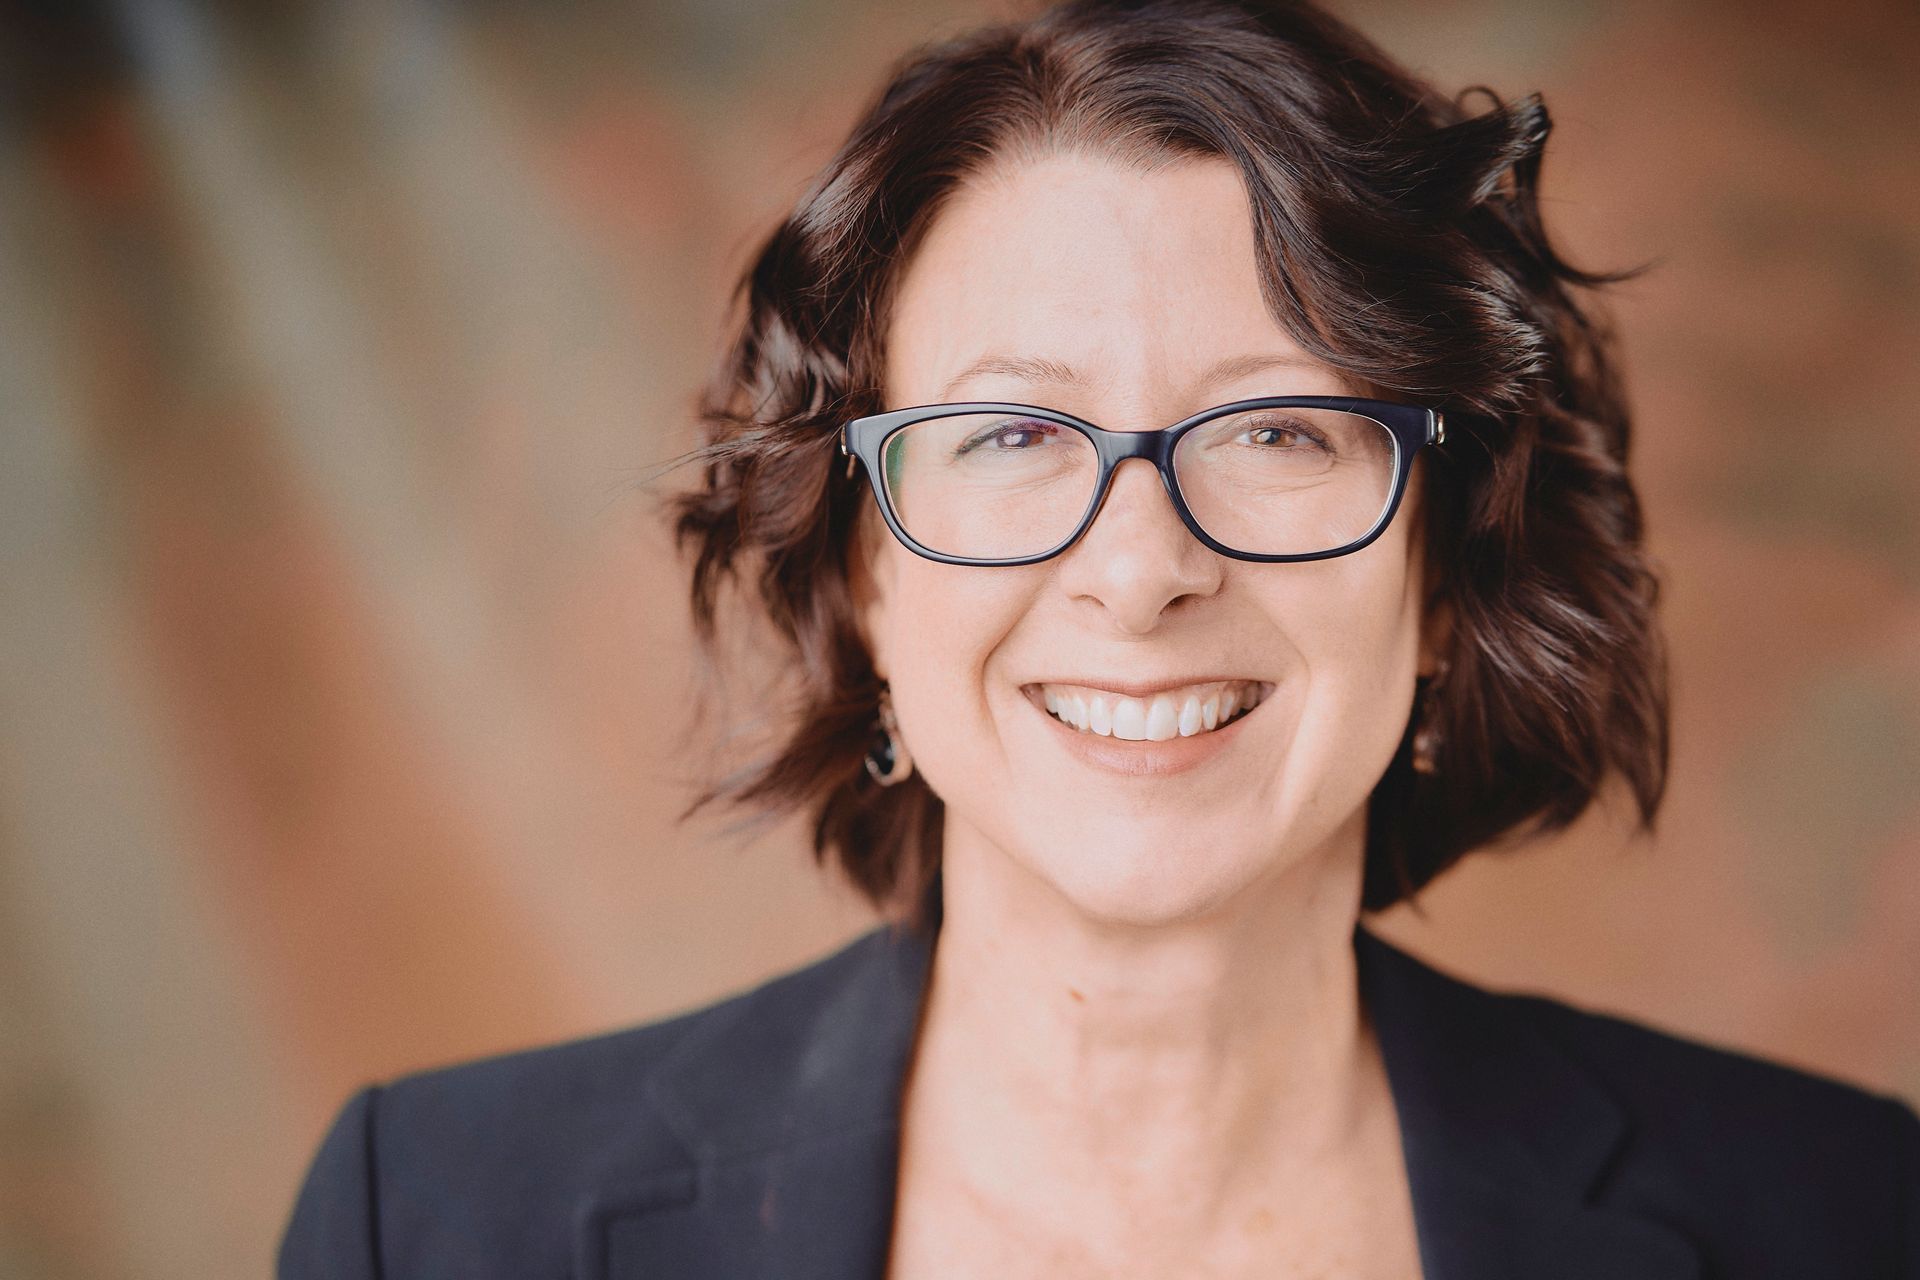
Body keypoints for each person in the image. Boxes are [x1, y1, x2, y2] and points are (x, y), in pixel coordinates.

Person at [278, 1, 1920, 1276]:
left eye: (1279, 433)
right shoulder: (431, 1226)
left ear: (1443, 579)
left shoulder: (1842, 1220)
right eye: (1011, 438)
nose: (1141, 572)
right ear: (865, 580)